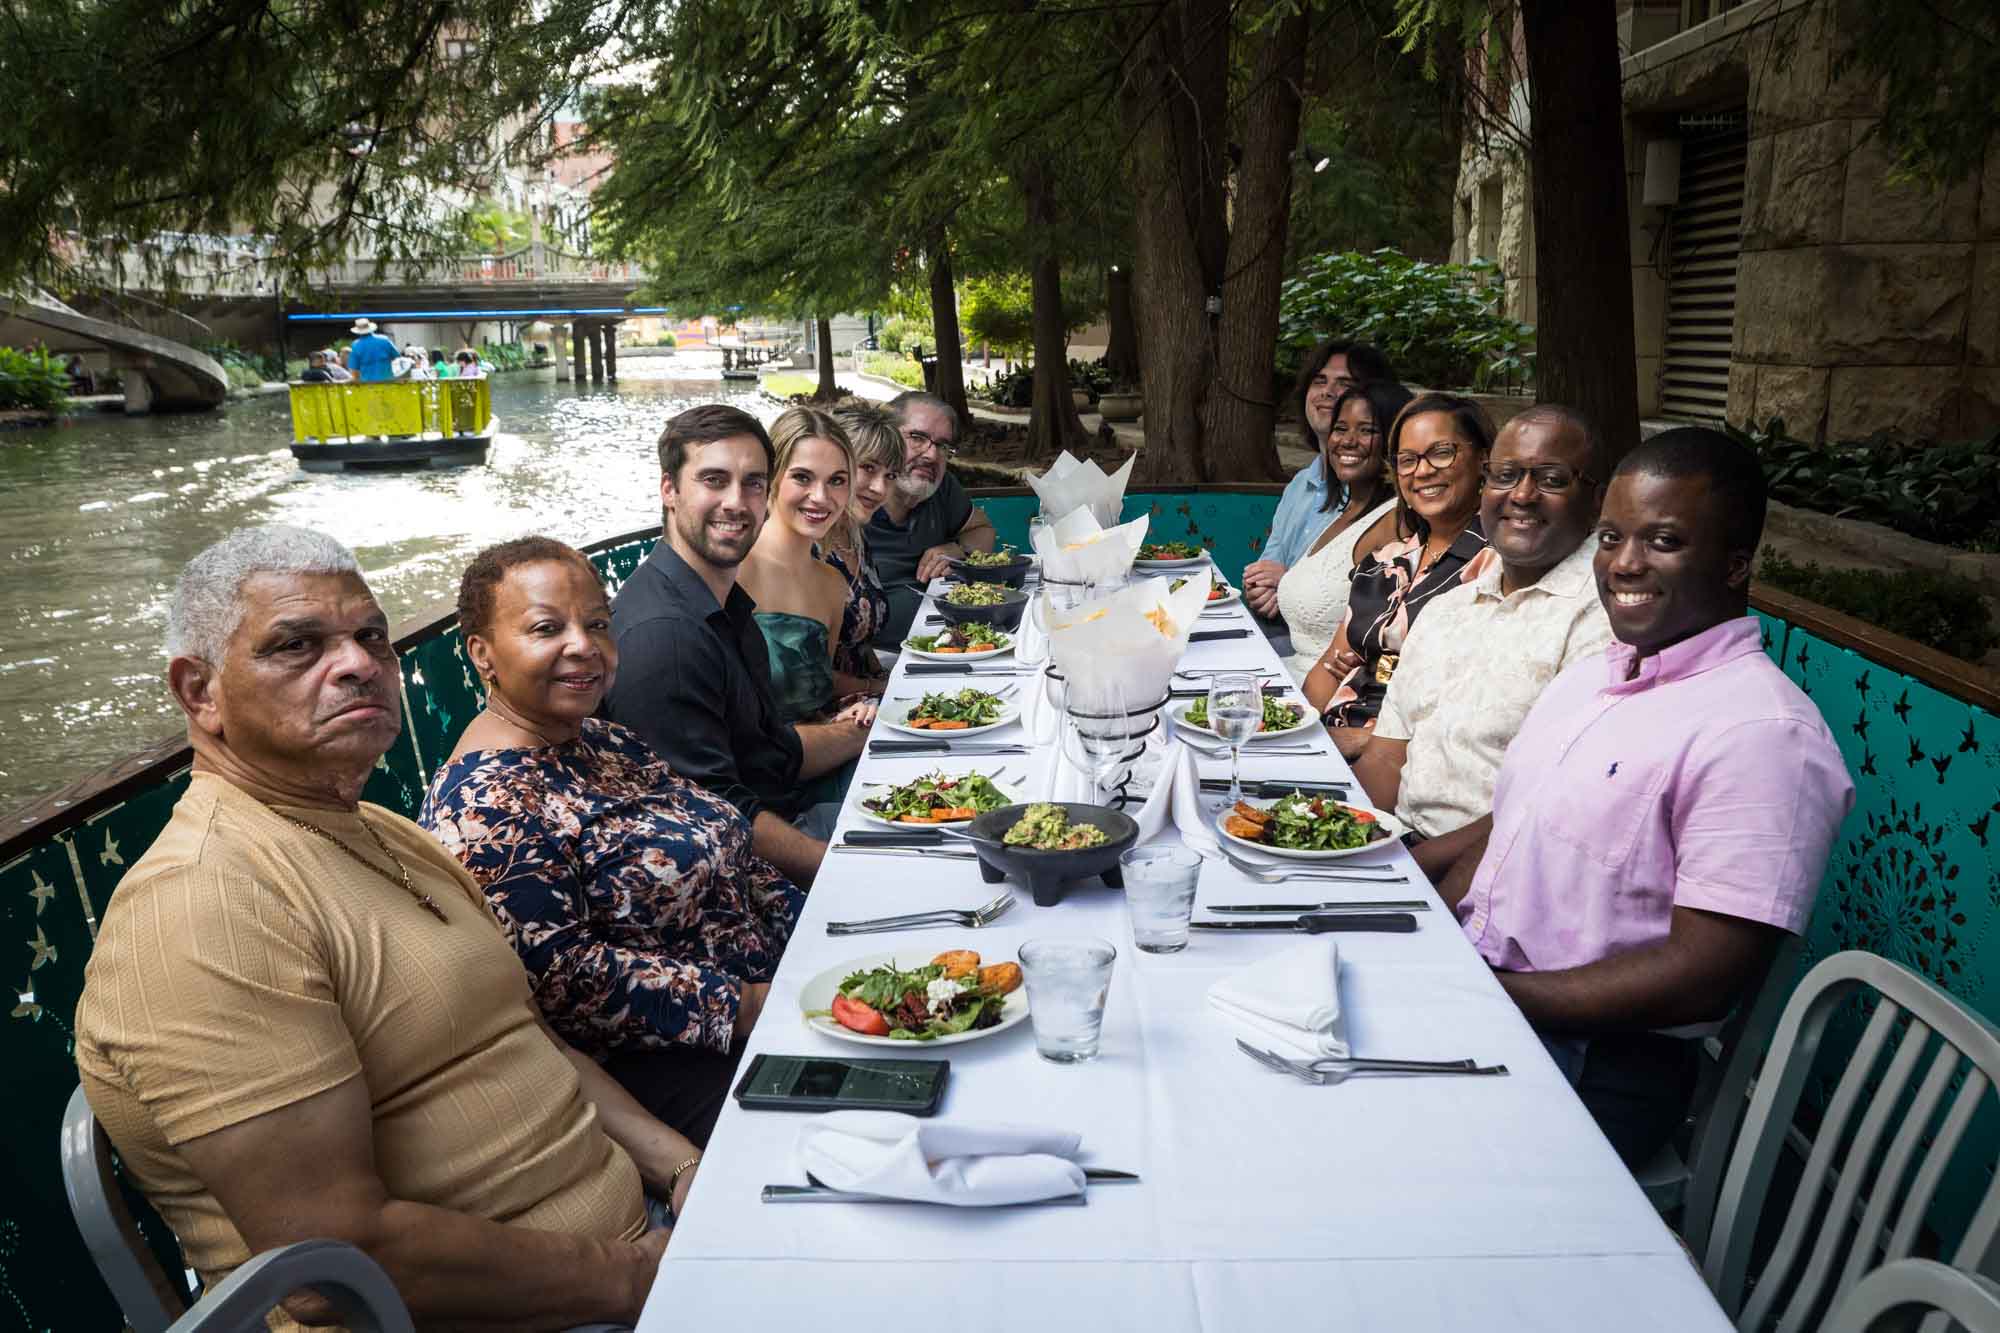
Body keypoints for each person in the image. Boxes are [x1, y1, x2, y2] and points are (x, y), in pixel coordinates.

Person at [73, 525, 698, 1331]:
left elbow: (529, 1041)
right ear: (200, 692)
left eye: (371, 635)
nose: (359, 662)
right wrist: (632, 1278)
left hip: (637, 1245)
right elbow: (333, 1262)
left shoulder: (382, 830)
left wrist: (682, 1167)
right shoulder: (204, 906)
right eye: (296, 645)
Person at [1438, 428, 1854, 1166]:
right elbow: (1514, 822)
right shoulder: (1599, 673)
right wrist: (1418, 910)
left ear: (1735, 562)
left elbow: (1702, 974)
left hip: (1596, 1062)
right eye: (1611, 536)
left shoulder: (1763, 732)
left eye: (1663, 540)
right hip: (1489, 992)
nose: (1625, 564)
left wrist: (1495, 994)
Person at [422, 537, 802, 1147]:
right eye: (547, 628)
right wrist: (757, 1005)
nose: (584, 646)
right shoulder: (487, 804)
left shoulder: (602, 739)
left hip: (779, 984)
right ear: (483, 654)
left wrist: (813, 936)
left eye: (597, 623)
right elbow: (567, 982)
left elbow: (724, 844)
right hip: (676, 1065)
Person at [601, 404, 868, 886]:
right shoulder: (668, 637)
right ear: (669, 489)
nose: (736, 502)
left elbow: (772, 750)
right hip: (750, 871)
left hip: (785, 814)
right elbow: (718, 818)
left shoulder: (723, 604)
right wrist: (847, 871)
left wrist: (866, 731)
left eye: (752, 483)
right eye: (713, 480)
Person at [1351, 405, 1617, 880]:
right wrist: (1341, 843)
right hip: (1399, 846)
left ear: (1596, 500)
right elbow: (1387, 755)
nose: (1522, 495)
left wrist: (1403, 872)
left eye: (1552, 479)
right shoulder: (1448, 609)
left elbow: (1548, 806)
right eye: (1506, 475)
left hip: (1499, 875)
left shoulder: (1601, 618)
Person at [1305, 393, 1494, 758]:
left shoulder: (1492, 565)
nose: (1422, 471)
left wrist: (1365, 742)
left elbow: (1472, 701)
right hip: (1332, 742)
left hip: (1407, 760)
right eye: (1407, 460)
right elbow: (1328, 669)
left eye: (1441, 453)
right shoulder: (1387, 562)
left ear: (1483, 459)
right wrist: (1294, 734)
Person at [736, 406, 878, 798]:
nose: (821, 497)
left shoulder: (832, 584)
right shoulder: (734, 574)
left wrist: (852, 712)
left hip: (826, 762)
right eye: (802, 477)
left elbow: (817, 693)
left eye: (836, 481)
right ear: (772, 478)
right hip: (760, 788)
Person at [1242, 340, 1397, 633]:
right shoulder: (1299, 484)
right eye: (1320, 380)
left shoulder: (1380, 502)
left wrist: (1286, 583)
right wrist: (1261, 587)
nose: (1327, 391)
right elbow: (1266, 567)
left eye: (1344, 383)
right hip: (1276, 627)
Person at [1276, 379, 1411, 683]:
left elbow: (1390, 650)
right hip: (1290, 673)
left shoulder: (1394, 523)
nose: (1348, 441)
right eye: (1341, 428)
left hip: (1325, 700)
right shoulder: (1344, 510)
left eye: (1367, 430)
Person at [866, 391, 997, 649]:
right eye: (917, 437)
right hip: (880, 657)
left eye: (942, 446)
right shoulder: (854, 504)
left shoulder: (941, 488)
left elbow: (983, 529)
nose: (932, 455)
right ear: (884, 437)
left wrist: (959, 550)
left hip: (946, 642)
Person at [822, 400, 905, 693]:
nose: (880, 488)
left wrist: (885, 680)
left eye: (891, 476)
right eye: (867, 468)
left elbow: (862, 644)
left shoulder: (857, 537)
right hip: (828, 717)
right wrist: (879, 688)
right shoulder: (805, 548)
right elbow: (803, 678)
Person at [345, 318, 399, 383]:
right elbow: (397, 356)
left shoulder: (356, 345)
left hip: (368, 383)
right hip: (388, 381)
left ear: (358, 331)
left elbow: (354, 369)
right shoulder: (384, 339)